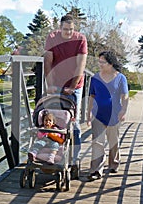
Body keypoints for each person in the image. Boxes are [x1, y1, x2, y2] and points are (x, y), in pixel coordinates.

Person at [44, 14, 88, 178]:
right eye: (65, 30)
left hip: (74, 85)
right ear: (60, 27)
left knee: (73, 124)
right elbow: (47, 61)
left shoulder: (80, 39)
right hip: (56, 84)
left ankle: (74, 160)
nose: (68, 33)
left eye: (71, 30)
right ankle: (52, 154)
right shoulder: (52, 37)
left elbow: (81, 65)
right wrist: (50, 85)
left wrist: (71, 87)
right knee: (53, 119)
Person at [87, 51, 129, 180]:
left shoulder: (120, 77)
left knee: (113, 141)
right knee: (97, 143)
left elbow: (125, 96)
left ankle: (114, 163)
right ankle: (96, 170)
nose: (100, 64)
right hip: (98, 115)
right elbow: (91, 97)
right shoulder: (94, 78)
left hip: (114, 115)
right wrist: (88, 113)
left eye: (102, 62)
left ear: (110, 63)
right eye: (99, 61)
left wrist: (123, 110)